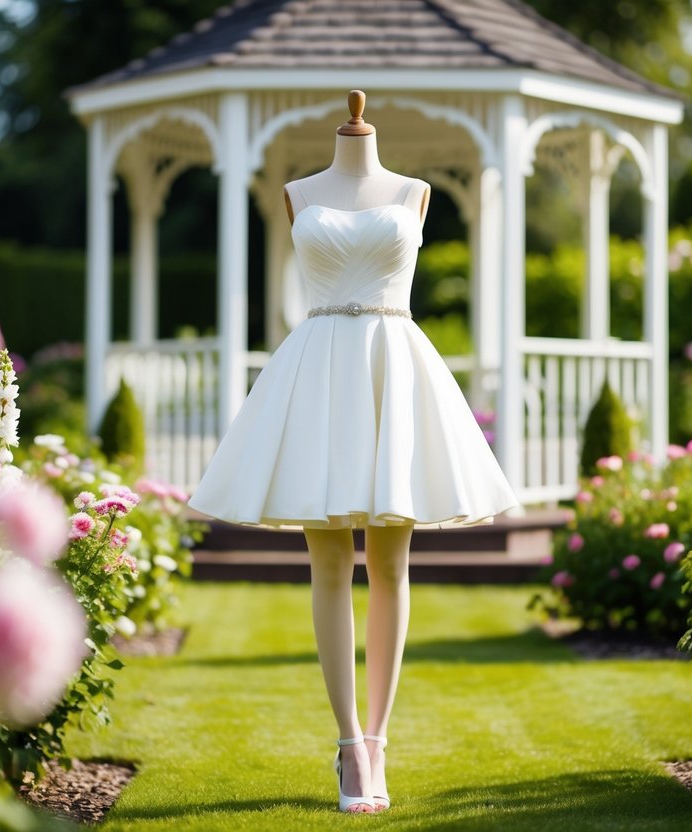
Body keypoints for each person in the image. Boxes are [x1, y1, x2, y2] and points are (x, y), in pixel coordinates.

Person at [188, 90, 518, 813]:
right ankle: (347, 746)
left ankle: (378, 739)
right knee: (329, 561)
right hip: (316, 371)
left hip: (394, 368)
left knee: (392, 564)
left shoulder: (414, 192)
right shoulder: (297, 192)